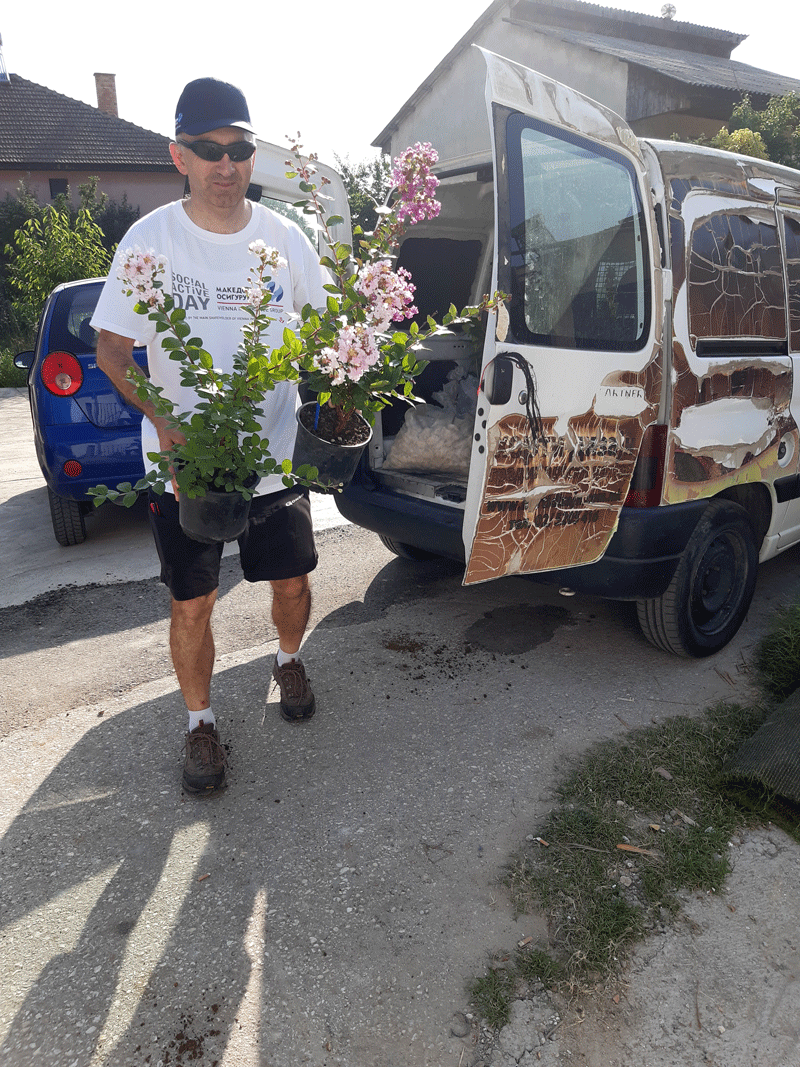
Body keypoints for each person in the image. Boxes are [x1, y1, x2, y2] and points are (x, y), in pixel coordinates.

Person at [92, 78, 330, 795]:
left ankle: (288, 659)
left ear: (252, 156)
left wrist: (341, 395)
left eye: (239, 149)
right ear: (180, 155)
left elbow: (324, 337)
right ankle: (200, 723)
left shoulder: (286, 239)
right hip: (188, 466)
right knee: (193, 601)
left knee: (292, 580)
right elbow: (112, 352)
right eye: (208, 148)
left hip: (274, 456)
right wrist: (165, 422)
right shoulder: (150, 241)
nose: (225, 164)